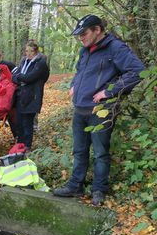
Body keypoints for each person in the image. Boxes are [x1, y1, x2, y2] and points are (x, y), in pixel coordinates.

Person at [53, 15, 145, 206]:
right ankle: (75, 186)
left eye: (84, 33)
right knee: (79, 151)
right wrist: (74, 85)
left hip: (101, 110)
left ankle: (98, 190)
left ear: (97, 30)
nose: (81, 38)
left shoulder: (115, 48)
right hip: (80, 109)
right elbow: (79, 71)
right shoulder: (85, 50)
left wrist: (109, 91)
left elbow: (137, 71)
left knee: (101, 153)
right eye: (79, 35)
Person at [11, 41, 50, 150]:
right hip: (21, 97)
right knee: (19, 122)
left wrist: (20, 77)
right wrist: (20, 78)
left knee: (27, 123)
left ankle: (27, 146)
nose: (28, 53)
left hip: (32, 98)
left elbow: (30, 77)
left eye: (31, 51)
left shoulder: (40, 63)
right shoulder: (24, 61)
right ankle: (20, 145)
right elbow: (13, 77)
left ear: (36, 51)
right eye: (26, 51)